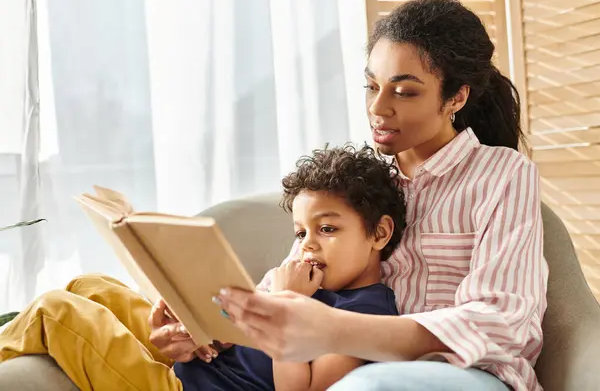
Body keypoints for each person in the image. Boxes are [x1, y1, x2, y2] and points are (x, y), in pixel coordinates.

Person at [209, 0, 548, 391]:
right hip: (354, 367)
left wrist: (340, 329)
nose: (378, 108)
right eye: (371, 86)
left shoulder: (501, 174)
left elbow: (502, 319)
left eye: (404, 92)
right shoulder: (363, 180)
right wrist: (209, 328)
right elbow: (292, 275)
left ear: (456, 97)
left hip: (469, 375)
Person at [0, 144, 406, 391]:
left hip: (181, 389)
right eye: (300, 232)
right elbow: (247, 340)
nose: (308, 245)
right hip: (194, 364)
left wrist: (286, 303)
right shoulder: (307, 281)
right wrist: (205, 328)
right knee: (90, 285)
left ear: (379, 233)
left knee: (58, 311)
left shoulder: (365, 313)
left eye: (328, 228)